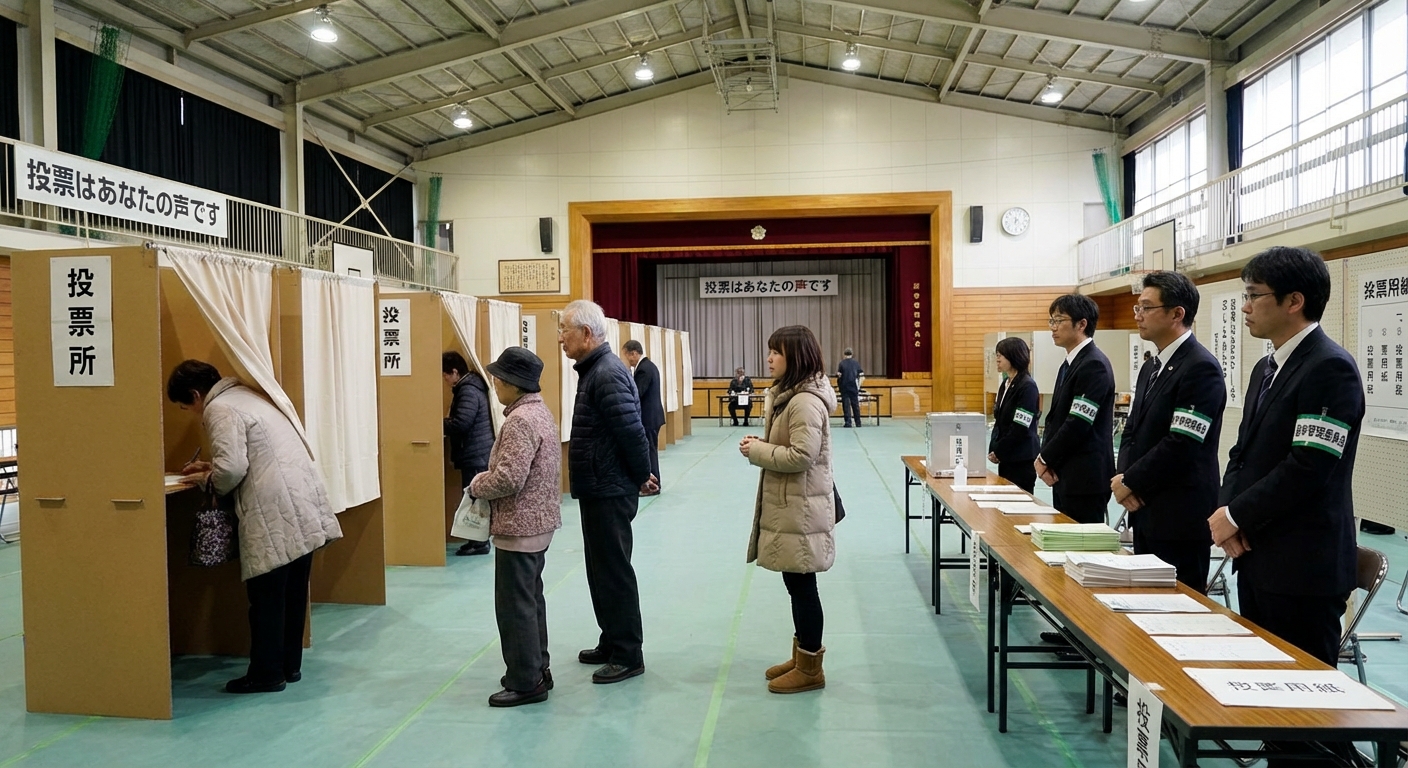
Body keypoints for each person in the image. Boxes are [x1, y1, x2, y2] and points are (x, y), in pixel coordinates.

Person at [1213, 247, 1362, 669]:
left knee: (1307, 708)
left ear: (1294, 301)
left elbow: (1308, 467)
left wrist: (1237, 515)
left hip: (1302, 566)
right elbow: (1241, 451)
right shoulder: (1267, 367)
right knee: (1268, 693)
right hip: (1257, 552)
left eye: (1254, 294)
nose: (1244, 306)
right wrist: (1229, 512)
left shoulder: (1329, 368)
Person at [169, 360, 342, 694]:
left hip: (272, 508)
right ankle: (289, 667)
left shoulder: (219, 408)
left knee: (266, 598)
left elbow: (232, 470)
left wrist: (208, 478)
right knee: (292, 594)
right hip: (301, 502)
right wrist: (213, 466)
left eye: (186, 406)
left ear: (195, 394)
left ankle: (266, 674)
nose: (192, 414)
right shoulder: (250, 395)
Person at [559, 300, 658, 684]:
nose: (560, 337)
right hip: (599, 485)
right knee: (599, 570)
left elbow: (631, 432)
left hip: (610, 487)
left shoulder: (607, 372)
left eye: (565, 329)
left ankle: (629, 653)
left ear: (586, 333)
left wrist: (641, 474)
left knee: (614, 571)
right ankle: (611, 640)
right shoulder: (594, 369)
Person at [1111, 271, 1226, 593]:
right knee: (1145, 601)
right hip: (1143, 505)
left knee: (1176, 605)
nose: (1138, 316)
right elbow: (1131, 429)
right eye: (1137, 307)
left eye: (1146, 308)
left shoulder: (1200, 367)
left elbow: (1183, 442)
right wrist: (1124, 479)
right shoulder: (1152, 366)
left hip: (1179, 512)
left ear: (1177, 313)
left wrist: (1132, 481)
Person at [740, 325, 836, 694]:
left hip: (802, 506)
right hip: (794, 503)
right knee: (796, 582)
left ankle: (811, 666)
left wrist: (758, 452)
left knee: (802, 584)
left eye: (776, 353)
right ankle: (802, 656)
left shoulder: (804, 402)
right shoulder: (790, 397)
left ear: (794, 357)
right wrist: (763, 443)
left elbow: (802, 455)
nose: (769, 359)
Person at [471, 347, 562, 708]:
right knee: (530, 600)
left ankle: (526, 681)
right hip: (537, 523)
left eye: (498, 378)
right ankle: (538, 667)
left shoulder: (520, 421)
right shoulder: (540, 412)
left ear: (513, 384)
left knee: (515, 606)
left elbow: (508, 477)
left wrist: (477, 484)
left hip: (519, 525)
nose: (494, 383)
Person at [1035, 294, 1115, 524]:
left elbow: (1078, 422)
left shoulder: (1093, 364)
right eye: (1051, 321)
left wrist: (1044, 457)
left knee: (1081, 551)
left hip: (1085, 477)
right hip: (1065, 473)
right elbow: (1056, 419)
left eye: (1059, 320)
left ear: (1082, 324)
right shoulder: (1070, 363)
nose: (1053, 328)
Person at [444, 351, 494, 556]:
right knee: (474, 497)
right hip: (477, 451)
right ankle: (475, 540)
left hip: (475, 452)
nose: (445, 380)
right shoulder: (470, 387)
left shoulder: (468, 391)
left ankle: (480, 542)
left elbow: (462, 423)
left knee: (476, 499)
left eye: (445, 375)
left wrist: (439, 424)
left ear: (455, 372)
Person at [986, 337, 1040, 492]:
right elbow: (999, 421)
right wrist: (994, 448)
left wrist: (1000, 451)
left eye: (1000, 355)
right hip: (1006, 456)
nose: (997, 359)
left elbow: (1020, 426)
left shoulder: (1027, 386)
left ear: (1013, 356)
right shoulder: (1006, 383)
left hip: (1021, 458)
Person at [621, 340, 665, 496]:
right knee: (650, 450)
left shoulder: (643, 370)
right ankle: (653, 483)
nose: (626, 360)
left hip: (649, 418)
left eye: (626, 356)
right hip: (653, 417)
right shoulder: (649, 366)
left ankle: (654, 485)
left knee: (649, 452)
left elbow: (637, 393)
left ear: (634, 353)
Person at [836, 348, 864, 427]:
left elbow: (839, 375)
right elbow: (861, 375)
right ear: (852, 354)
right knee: (855, 405)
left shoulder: (842, 363)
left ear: (844, 354)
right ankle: (858, 422)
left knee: (846, 405)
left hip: (844, 387)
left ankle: (848, 422)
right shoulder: (856, 363)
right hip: (853, 387)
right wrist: (858, 386)